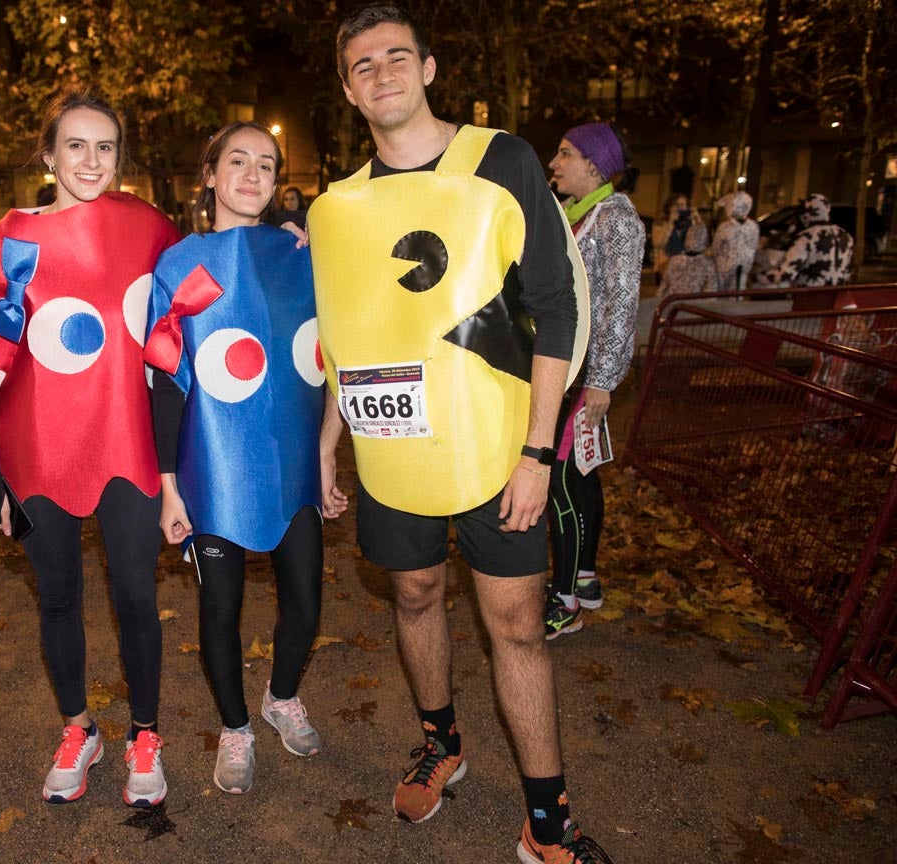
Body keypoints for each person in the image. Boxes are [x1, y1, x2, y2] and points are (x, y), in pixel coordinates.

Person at [309, 6, 613, 863]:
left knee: (515, 622)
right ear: (347, 89)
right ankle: (443, 740)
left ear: (430, 67)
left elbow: (557, 309)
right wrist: (330, 441)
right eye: (363, 65)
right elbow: (349, 336)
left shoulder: (503, 159)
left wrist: (537, 452)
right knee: (412, 595)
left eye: (397, 56)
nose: (382, 73)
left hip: (497, 449)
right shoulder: (343, 205)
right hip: (394, 448)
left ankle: (546, 817)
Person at [0, 88, 180, 808]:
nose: (91, 160)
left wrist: (284, 238)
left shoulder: (149, 228)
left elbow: (200, 306)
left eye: (105, 146)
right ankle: (79, 729)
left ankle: (146, 734)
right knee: (58, 596)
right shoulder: (12, 236)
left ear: (121, 156)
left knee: (137, 597)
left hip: (127, 443)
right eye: (74, 145)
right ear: (48, 155)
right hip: (39, 447)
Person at [143, 122, 325, 796]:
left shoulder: (299, 254)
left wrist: (329, 456)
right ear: (211, 175)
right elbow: (166, 380)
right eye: (238, 161)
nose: (254, 175)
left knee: (305, 600)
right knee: (219, 608)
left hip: (294, 466)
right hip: (213, 469)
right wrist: (170, 488)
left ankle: (280, 698)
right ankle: (236, 728)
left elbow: (326, 359)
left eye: (268, 165)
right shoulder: (180, 264)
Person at [545, 124, 645, 642]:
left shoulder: (617, 219)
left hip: (588, 375)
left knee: (559, 477)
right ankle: (583, 576)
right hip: (572, 370)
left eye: (566, 154)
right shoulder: (578, 215)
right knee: (582, 474)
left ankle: (562, 600)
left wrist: (603, 381)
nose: (555, 162)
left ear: (595, 165)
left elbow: (621, 305)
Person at [756, 193, 854, 287]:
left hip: (810, 293)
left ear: (808, 213)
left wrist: (761, 277)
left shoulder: (808, 237)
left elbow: (787, 272)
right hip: (836, 293)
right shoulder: (845, 236)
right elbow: (848, 270)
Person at [712, 190, 759, 292]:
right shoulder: (752, 226)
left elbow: (716, 248)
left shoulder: (726, 227)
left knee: (733, 293)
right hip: (728, 268)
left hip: (732, 268)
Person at [658, 221, 715, 300]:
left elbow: (662, 289)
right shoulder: (708, 264)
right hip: (690, 309)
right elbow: (711, 295)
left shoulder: (674, 261)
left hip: (671, 307)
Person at [653, 193, 689, 280]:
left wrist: (697, 221)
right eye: (677, 205)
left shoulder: (688, 225)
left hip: (684, 267)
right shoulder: (660, 224)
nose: (680, 208)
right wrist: (670, 223)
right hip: (664, 267)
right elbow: (658, 244)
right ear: (669, 208)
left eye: (683, 205)